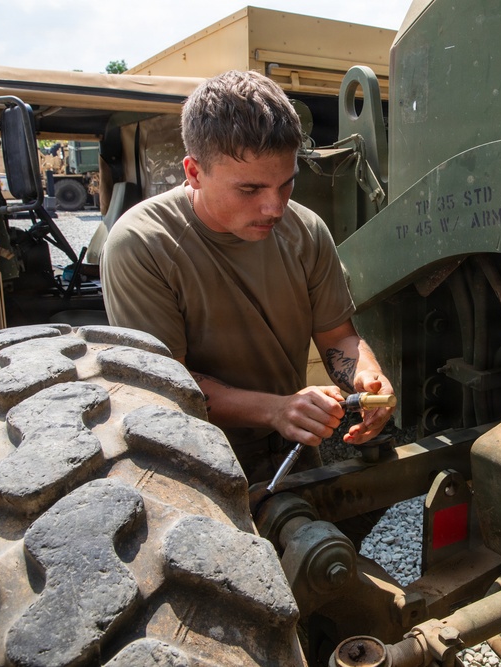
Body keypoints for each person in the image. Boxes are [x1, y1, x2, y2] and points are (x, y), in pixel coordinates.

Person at [101, 70, 395, 484]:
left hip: (291, 451)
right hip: (191, 459)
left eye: (287, 184)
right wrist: (276, 409)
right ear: (194, 172)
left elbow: (338, 337)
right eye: (250, 190)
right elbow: (167, 384)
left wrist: (367, 378)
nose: (274, 208)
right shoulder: (143, 244)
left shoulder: (306, 230)